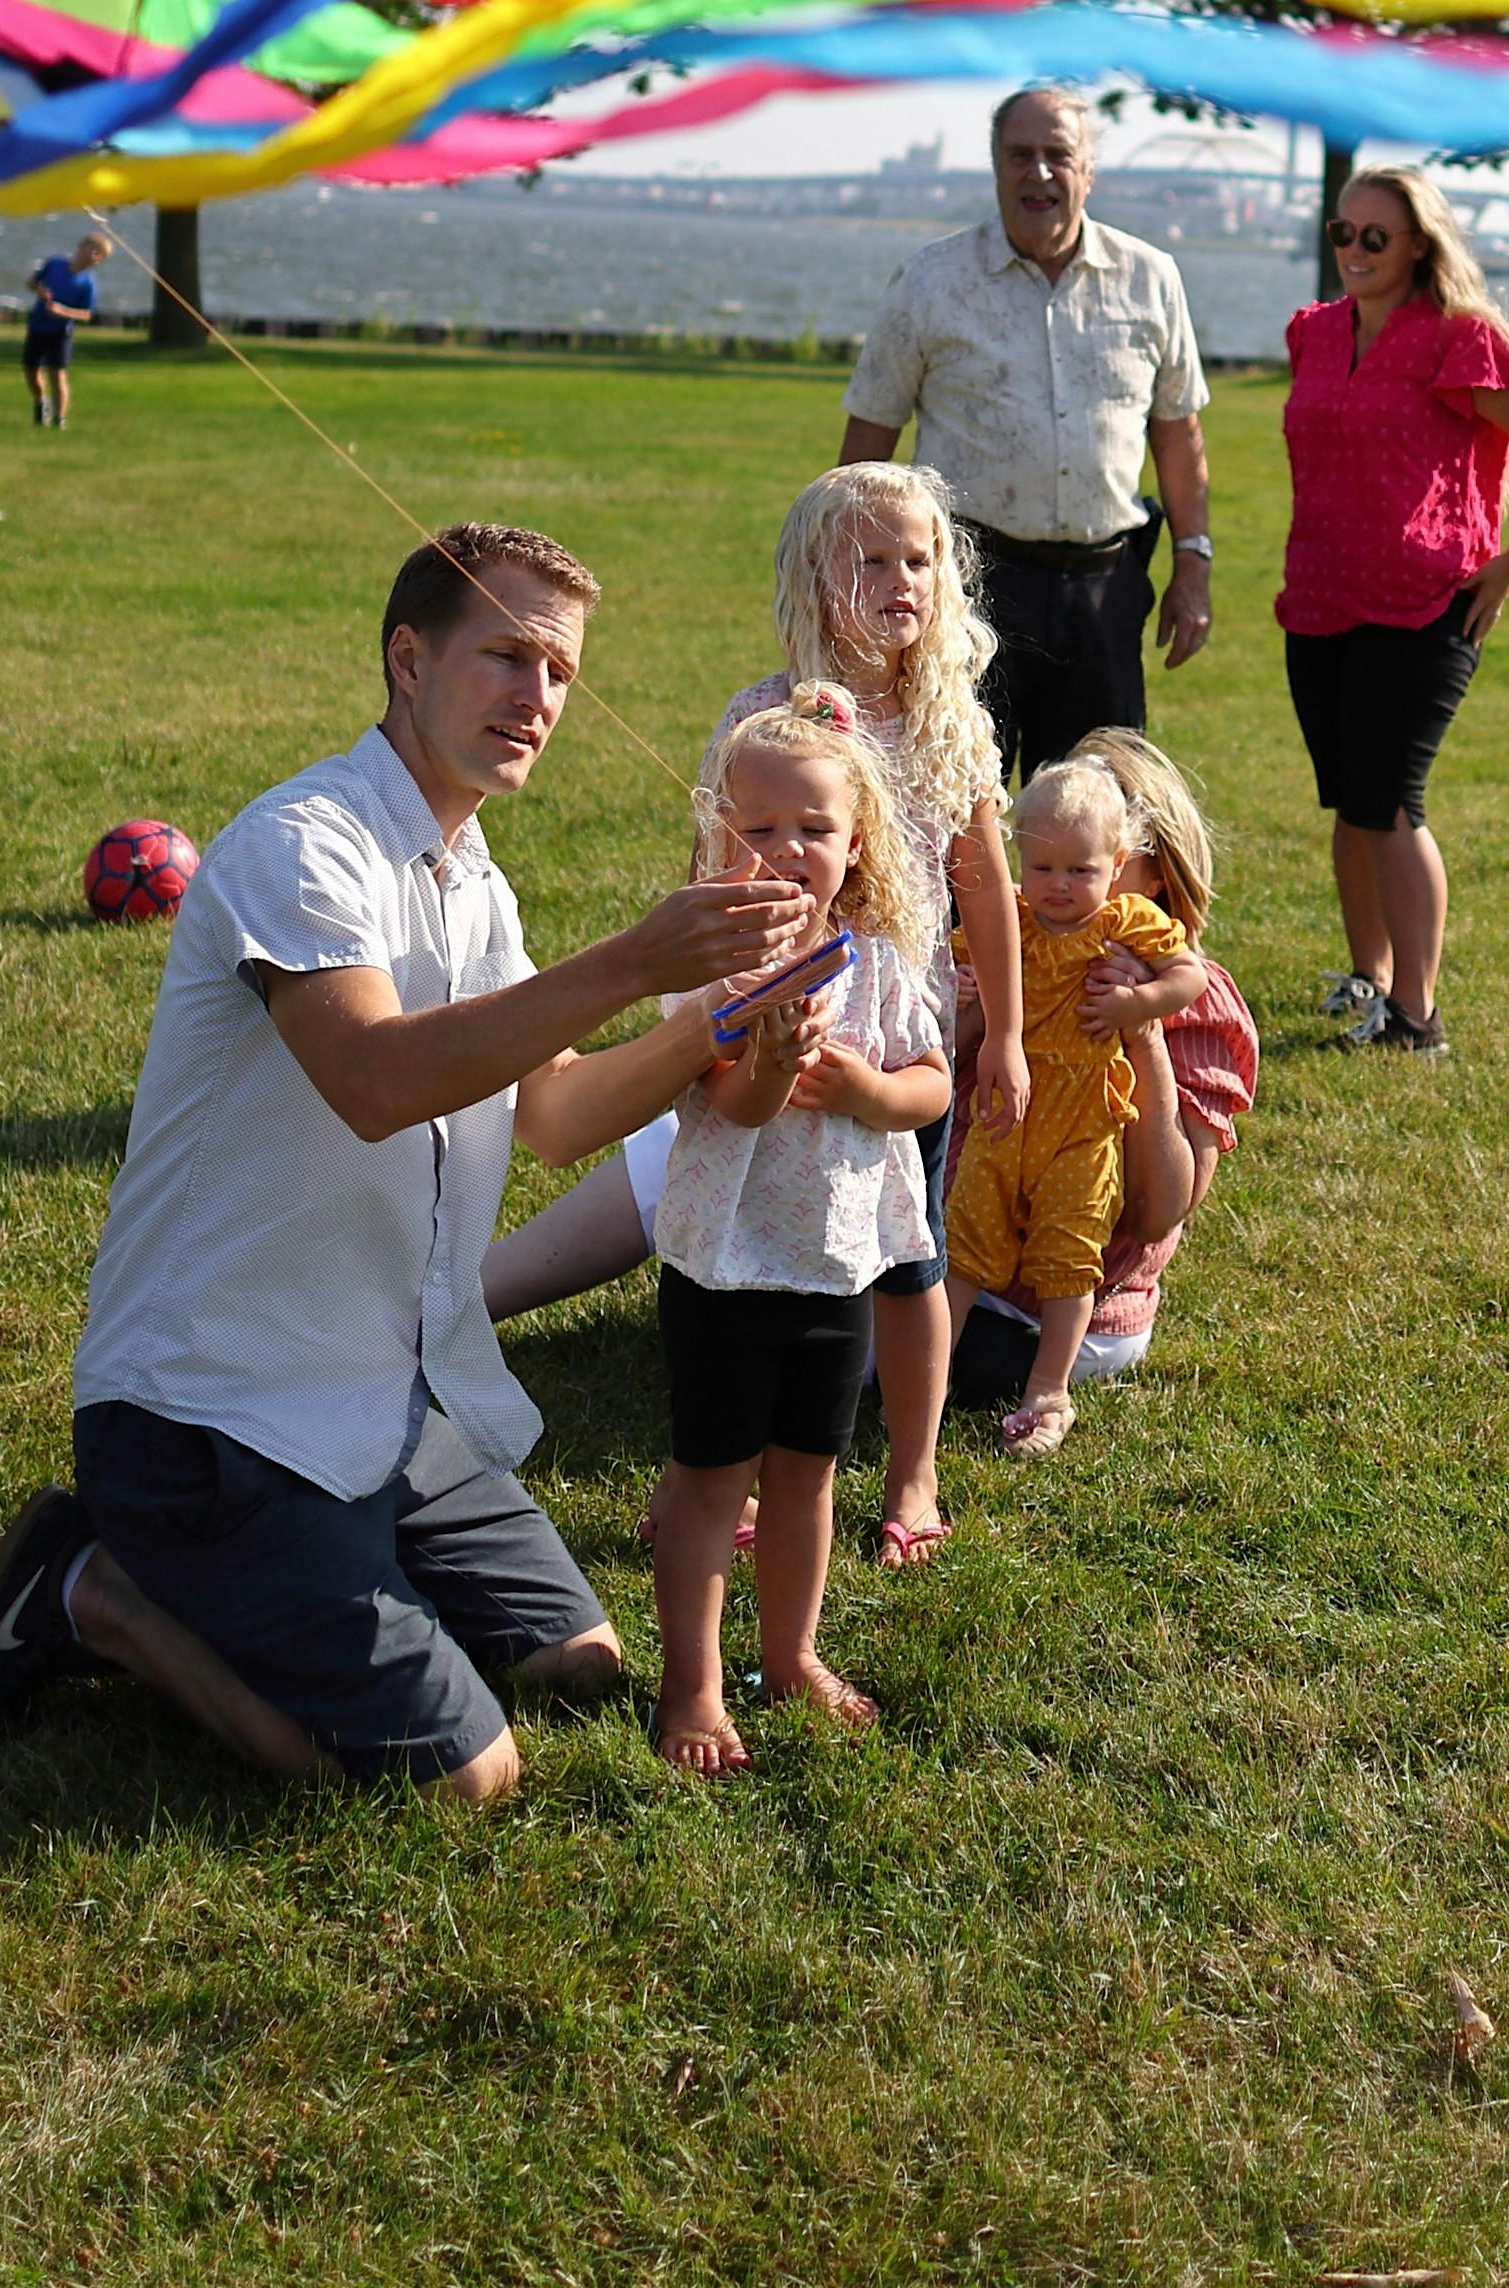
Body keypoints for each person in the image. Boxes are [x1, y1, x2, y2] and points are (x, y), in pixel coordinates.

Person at [0, 524, 806, 1803]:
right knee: (469, 1777)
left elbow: (555, 1113)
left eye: (561, 670)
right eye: (506, 655)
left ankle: (322, 1574)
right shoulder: (306, 843)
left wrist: (711, 1027)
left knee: (583, 1660)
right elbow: (376, 1081)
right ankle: (91, 1592)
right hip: (208, 1412)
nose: (539, 697)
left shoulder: (476, 883)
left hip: (388, 1400)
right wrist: (631, 960)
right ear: (409, 658)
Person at [483, 463, 1023, 1567]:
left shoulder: (948, 724)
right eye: (872, 559)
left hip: (894, 1021)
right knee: (748, 1235)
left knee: (906, 1258)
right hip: (764, 1006)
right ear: (815, 580)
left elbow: (987, 887)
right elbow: (709, 860)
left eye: (919, 559)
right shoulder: (758, 714)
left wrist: (1002, 1034)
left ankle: (910, 1469)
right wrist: (728, 993)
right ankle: (726, 1470)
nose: (901, 580)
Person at [640, 689, 950, 1772]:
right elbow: (733, 1105)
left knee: (808, 1475)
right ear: (720, 838)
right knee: (710, 1478)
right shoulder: (718, 969)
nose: (786, 849)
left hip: (833, 1265)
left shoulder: (881, 967)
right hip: (726, 1269)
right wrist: (772, 1056)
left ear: (855, 841)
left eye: (813, 828)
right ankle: (693, 1685)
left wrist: (870, 1087)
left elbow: (930, 1085)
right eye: (758, 829)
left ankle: (790, 1655)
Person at [1278, 162, 1509, 1058]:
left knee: (1393, 804)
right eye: (1343, 233)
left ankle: (1417, 1016)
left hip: (1423, 604)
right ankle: (1369, 983)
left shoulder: (1456, 339)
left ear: (1418, 245)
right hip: (1320, 597)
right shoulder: (1316, 333)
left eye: (1377, 236)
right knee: (1349, 804)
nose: (1356, 251)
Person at [838, 89, 1213, 774]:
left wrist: (1193, 560)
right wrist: (849, 570)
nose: (1038, 173)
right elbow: (870, 437)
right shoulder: (931, 281)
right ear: (995, 167)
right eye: (1020, 156)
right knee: (949, 805)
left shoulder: (1151, 279)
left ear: (1089, 171)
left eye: (1057, 156)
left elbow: (1178, 431)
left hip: (1105, 589)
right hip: (966, 584)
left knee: (1094, 814)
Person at [939, 754, 1188, 1453]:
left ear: (1117, 866)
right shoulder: (1007, 921)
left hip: (1082, 1126)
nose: (1058, 887)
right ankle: (924, 1383)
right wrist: (963, 993)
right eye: (1042, 868)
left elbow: (1188, 975)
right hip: (1004, 1114)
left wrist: (1139, 1003)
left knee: (1070, 1253)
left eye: (1080, 871)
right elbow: (957, 966)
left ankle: (1048, 1390)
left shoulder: (1125, 924)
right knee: (965, 1242)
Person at [21, 232, 112, 428]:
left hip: (61, 333)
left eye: (101, 256)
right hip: (38, 325)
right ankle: (40, 402)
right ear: (82, 247)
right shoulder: (54, 265)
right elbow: (31, 283)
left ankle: (59, 419)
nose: (96, 258)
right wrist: (40, 291)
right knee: (31, 370)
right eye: (95, 251)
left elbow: (87, 314)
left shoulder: (87, 283)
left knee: (57, 374)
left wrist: (62, 311)